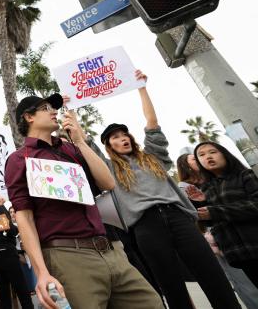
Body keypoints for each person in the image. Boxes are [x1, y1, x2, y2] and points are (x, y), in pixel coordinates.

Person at [5, 92, 163, 309]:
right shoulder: (18, 159)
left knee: (152, 304)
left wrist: (79, 140)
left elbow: (108, 183)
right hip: (68, 256)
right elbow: (25, 217)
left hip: (111, 249)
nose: (54, 112)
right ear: (28, 117)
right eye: (45, 108)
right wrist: (41, 272)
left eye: (54, 108)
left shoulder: (71, 148)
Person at [100, 71, 240, 309]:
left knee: (212, 276)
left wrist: (142, 88)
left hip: (178, 218)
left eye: (124, 134)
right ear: (108, 144)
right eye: (115, 137)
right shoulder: (109, 169)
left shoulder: (152, 157)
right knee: (171, 286)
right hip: (145, 225)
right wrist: (71, 112)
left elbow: (152, 124)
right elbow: (84, 145)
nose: (122, 138)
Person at [194, 141, 258, 287]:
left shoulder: (244, 175)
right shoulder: (205, 188)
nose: (208, 157)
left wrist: (215, 211)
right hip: (238, 253)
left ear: (225, 154)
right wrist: (201, 204)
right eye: (201, 155)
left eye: (213, 152)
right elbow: (209, 222)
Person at [0, 196, 33, 309]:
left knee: (3, 296)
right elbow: (13, 230)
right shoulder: (2, 210)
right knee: (22, 292)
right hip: (9, 253)